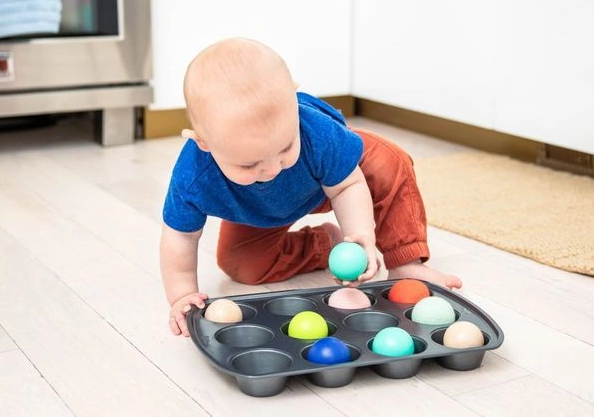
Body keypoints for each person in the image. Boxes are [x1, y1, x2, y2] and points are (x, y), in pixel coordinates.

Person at [160, 38, 462, 337]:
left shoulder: (314, 131)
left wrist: (359, 236)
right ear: (203, 143)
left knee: (387, 162)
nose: (272, 170)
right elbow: (180, 236)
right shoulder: (193, 177)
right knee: (241, 265)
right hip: (262, 209)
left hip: (334, 177)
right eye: (249, 165)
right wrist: (182, 296)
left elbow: (348, 187)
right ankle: (322, 243)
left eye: (286, 147)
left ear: (294, 105)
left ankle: (406, 261)